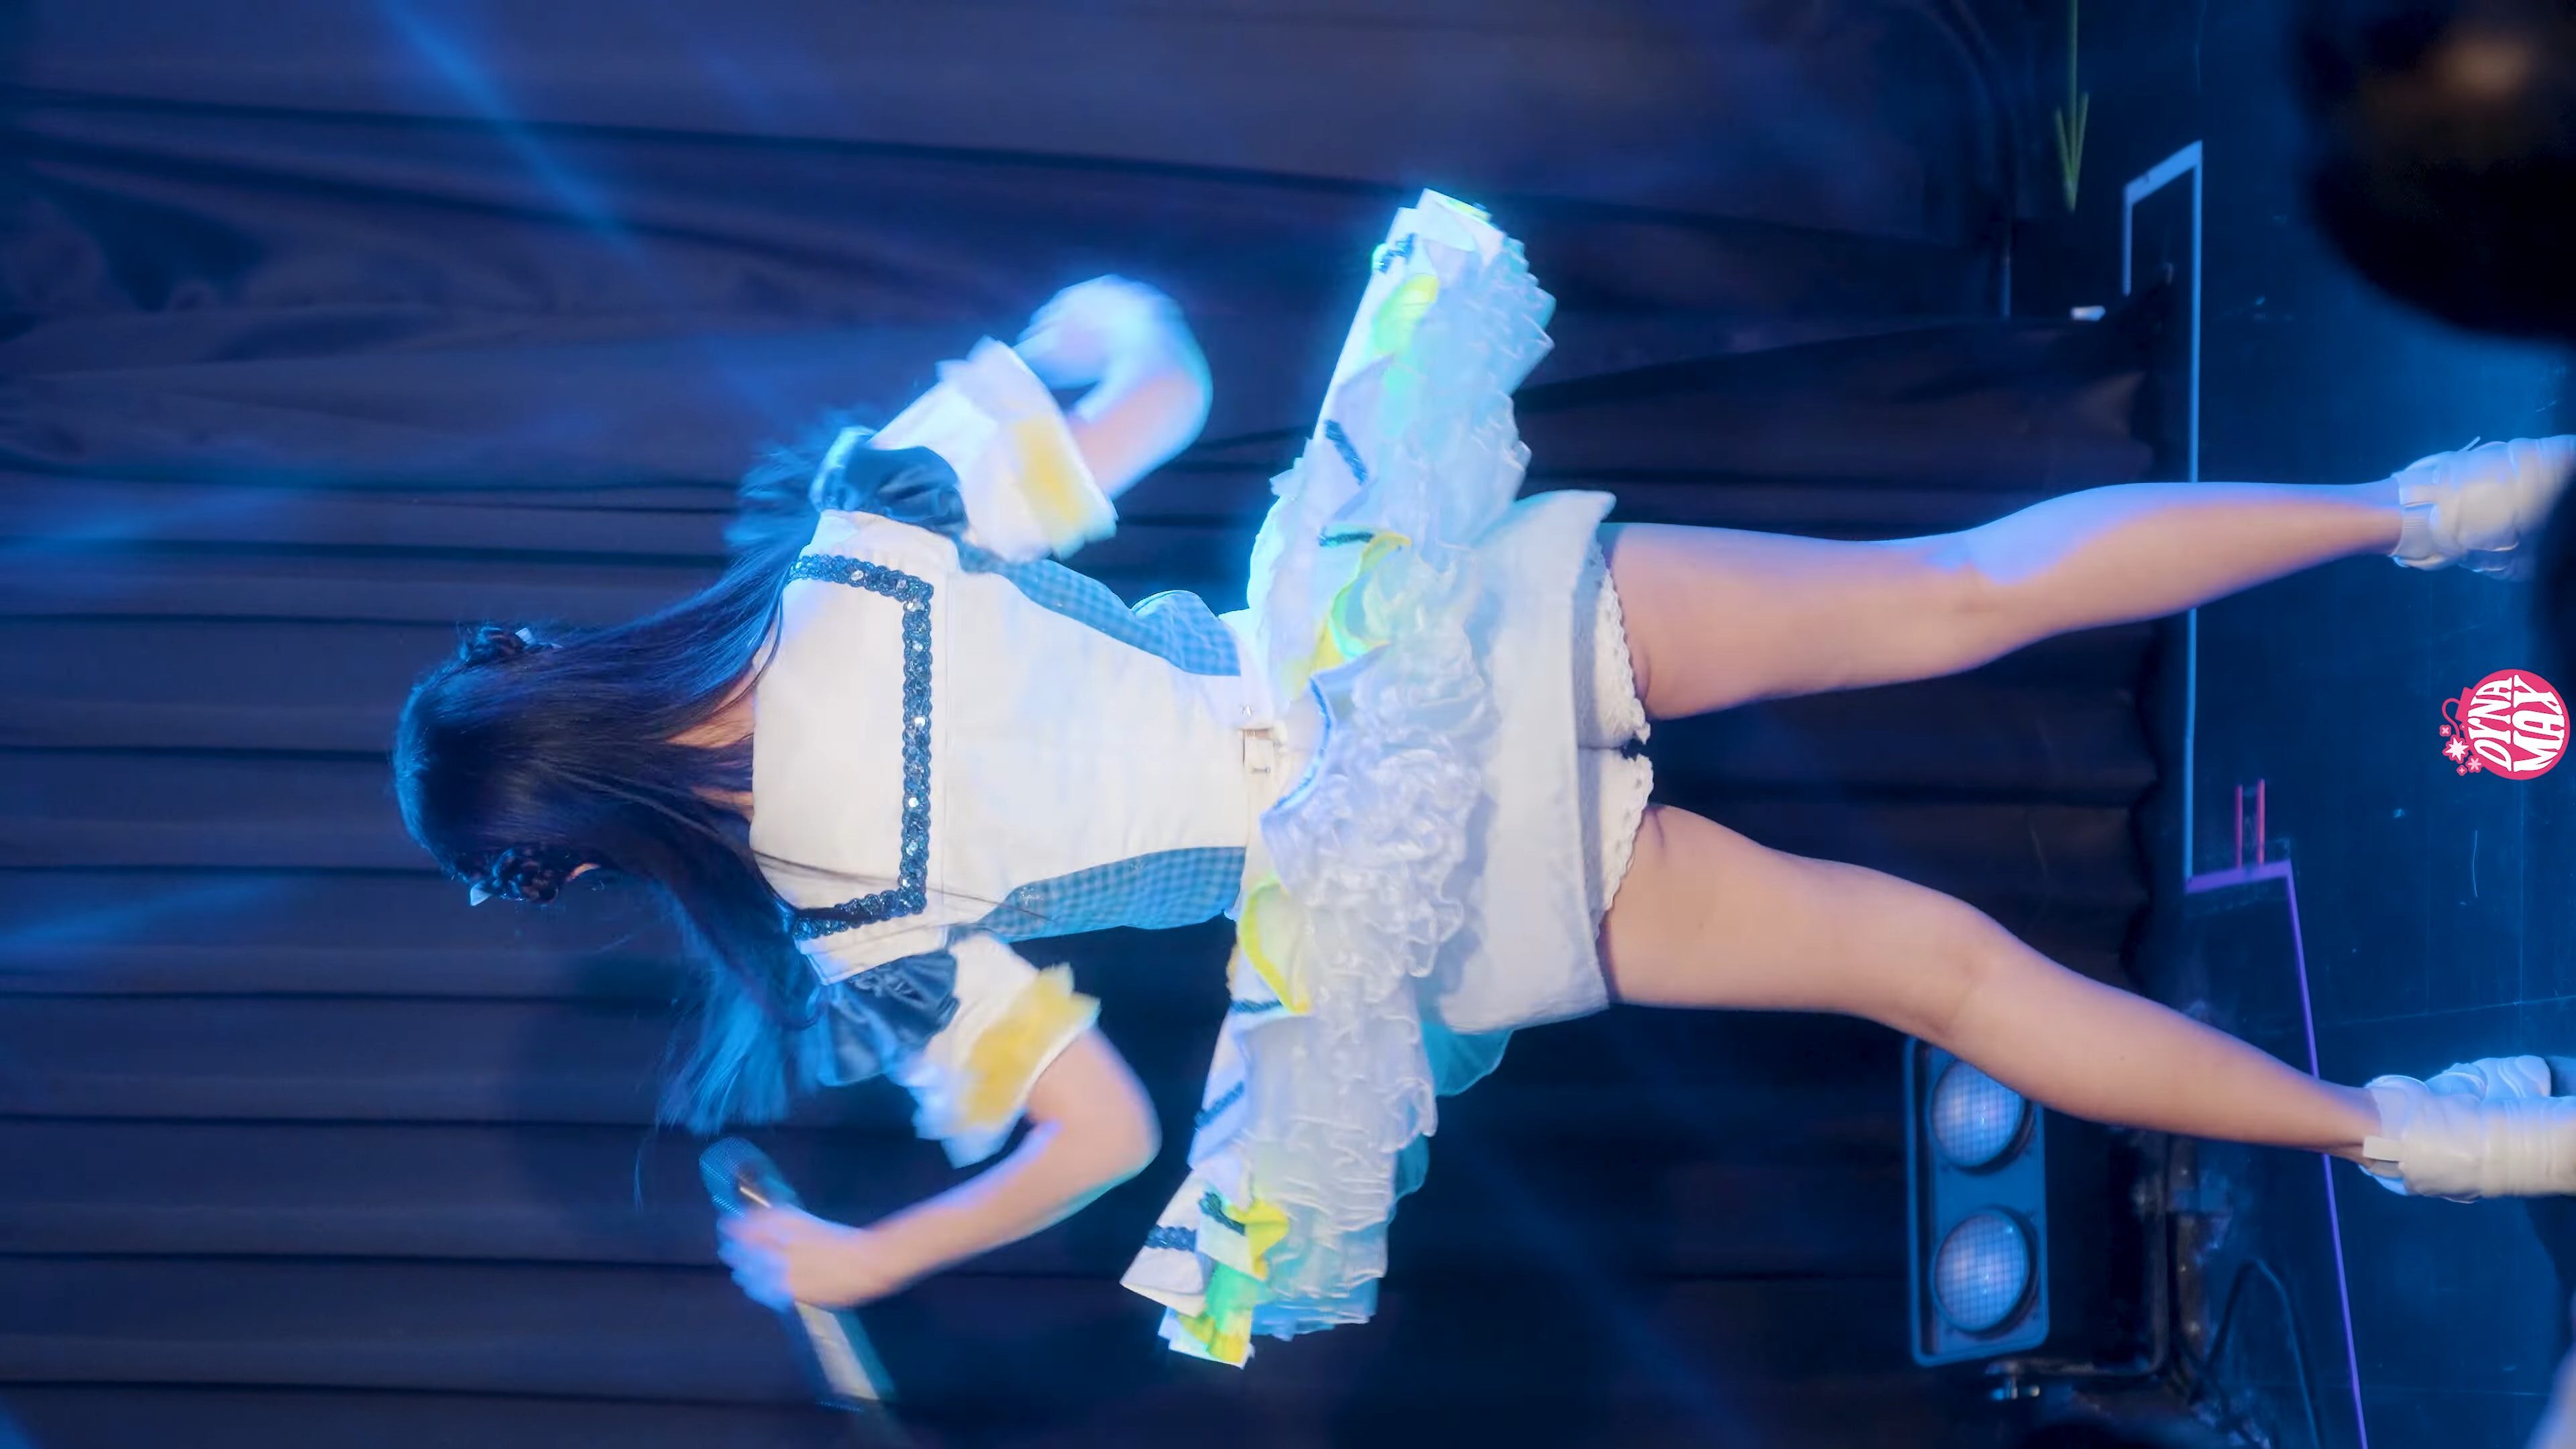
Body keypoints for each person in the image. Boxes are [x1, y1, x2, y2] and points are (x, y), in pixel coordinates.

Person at [393, 193, 2576, 1367]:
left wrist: (881, 1261)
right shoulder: (860, 534)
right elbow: (1153, 369)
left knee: (1947, 979)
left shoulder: (852, 936)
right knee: (1961, 588)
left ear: (574, 859)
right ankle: (2436, 505)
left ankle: (2423, 1137)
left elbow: (1109, 1141)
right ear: (545, 659)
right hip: (1408, 634)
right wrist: (1074, 313)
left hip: (1399, 892)